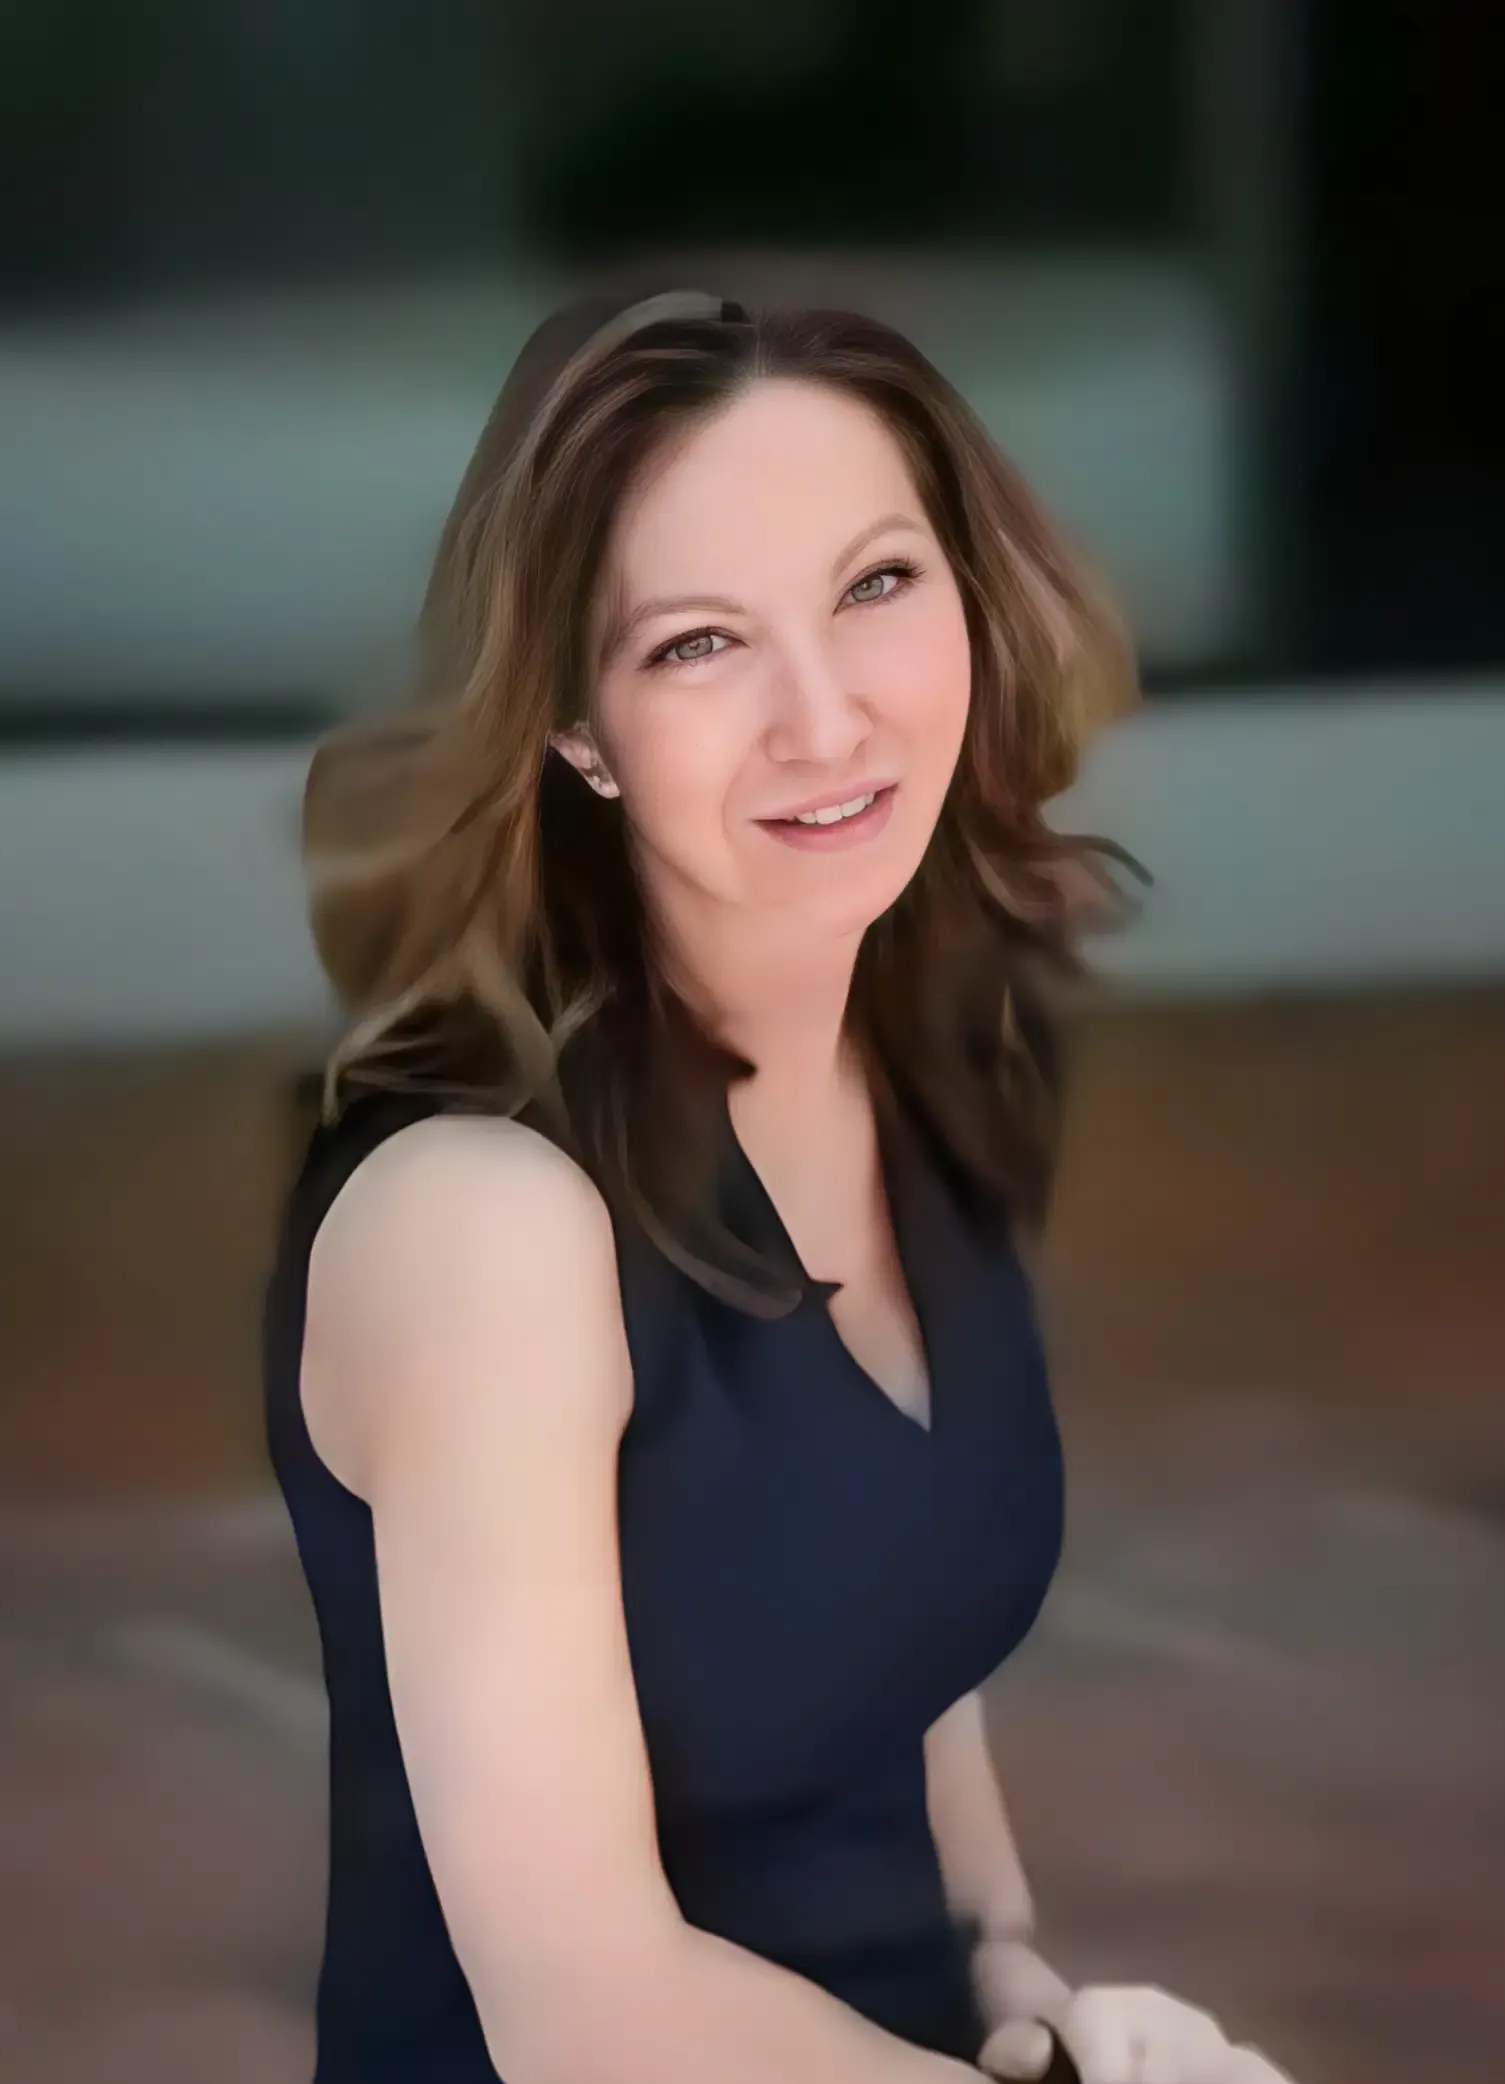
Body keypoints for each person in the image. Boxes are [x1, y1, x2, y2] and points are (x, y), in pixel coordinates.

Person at [265, 289, 1295, 2084]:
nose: (825, 717)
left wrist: (1020, 1996)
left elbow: (899, 1651)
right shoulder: (484, 1228)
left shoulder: (929, 1067)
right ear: (576, 731)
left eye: (876, 586)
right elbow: (582, 2014)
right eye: (696, 646)